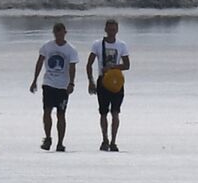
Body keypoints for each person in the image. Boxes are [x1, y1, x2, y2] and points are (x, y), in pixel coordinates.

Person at [29, 21, 78, 152]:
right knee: (47, 111)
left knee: (61, 114)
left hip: (62, 86)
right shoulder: (47, 47)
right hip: (49, 83)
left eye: (61, 32)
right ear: (54, 33)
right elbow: (39, 62)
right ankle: (48, 137)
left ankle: (60, 142)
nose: (59, 35)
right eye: (56, 32)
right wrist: (34, 80)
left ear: (65, 33)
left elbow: (73, 67)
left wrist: (71, 83)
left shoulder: (71, 50)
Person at [87, 18, 132, 152]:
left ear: (117, 30)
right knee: (103, 112)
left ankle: (113, 141)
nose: (112, 32)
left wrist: (113, 66)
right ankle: (105, 139)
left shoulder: (121, 45)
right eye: (110, 29)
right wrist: (91, 81)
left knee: (115, 112)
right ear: (105, 29)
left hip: (116, 82)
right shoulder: (97, 44)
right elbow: (89, 64)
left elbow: (127, 65)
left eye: (114, 29)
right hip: (103, 81)